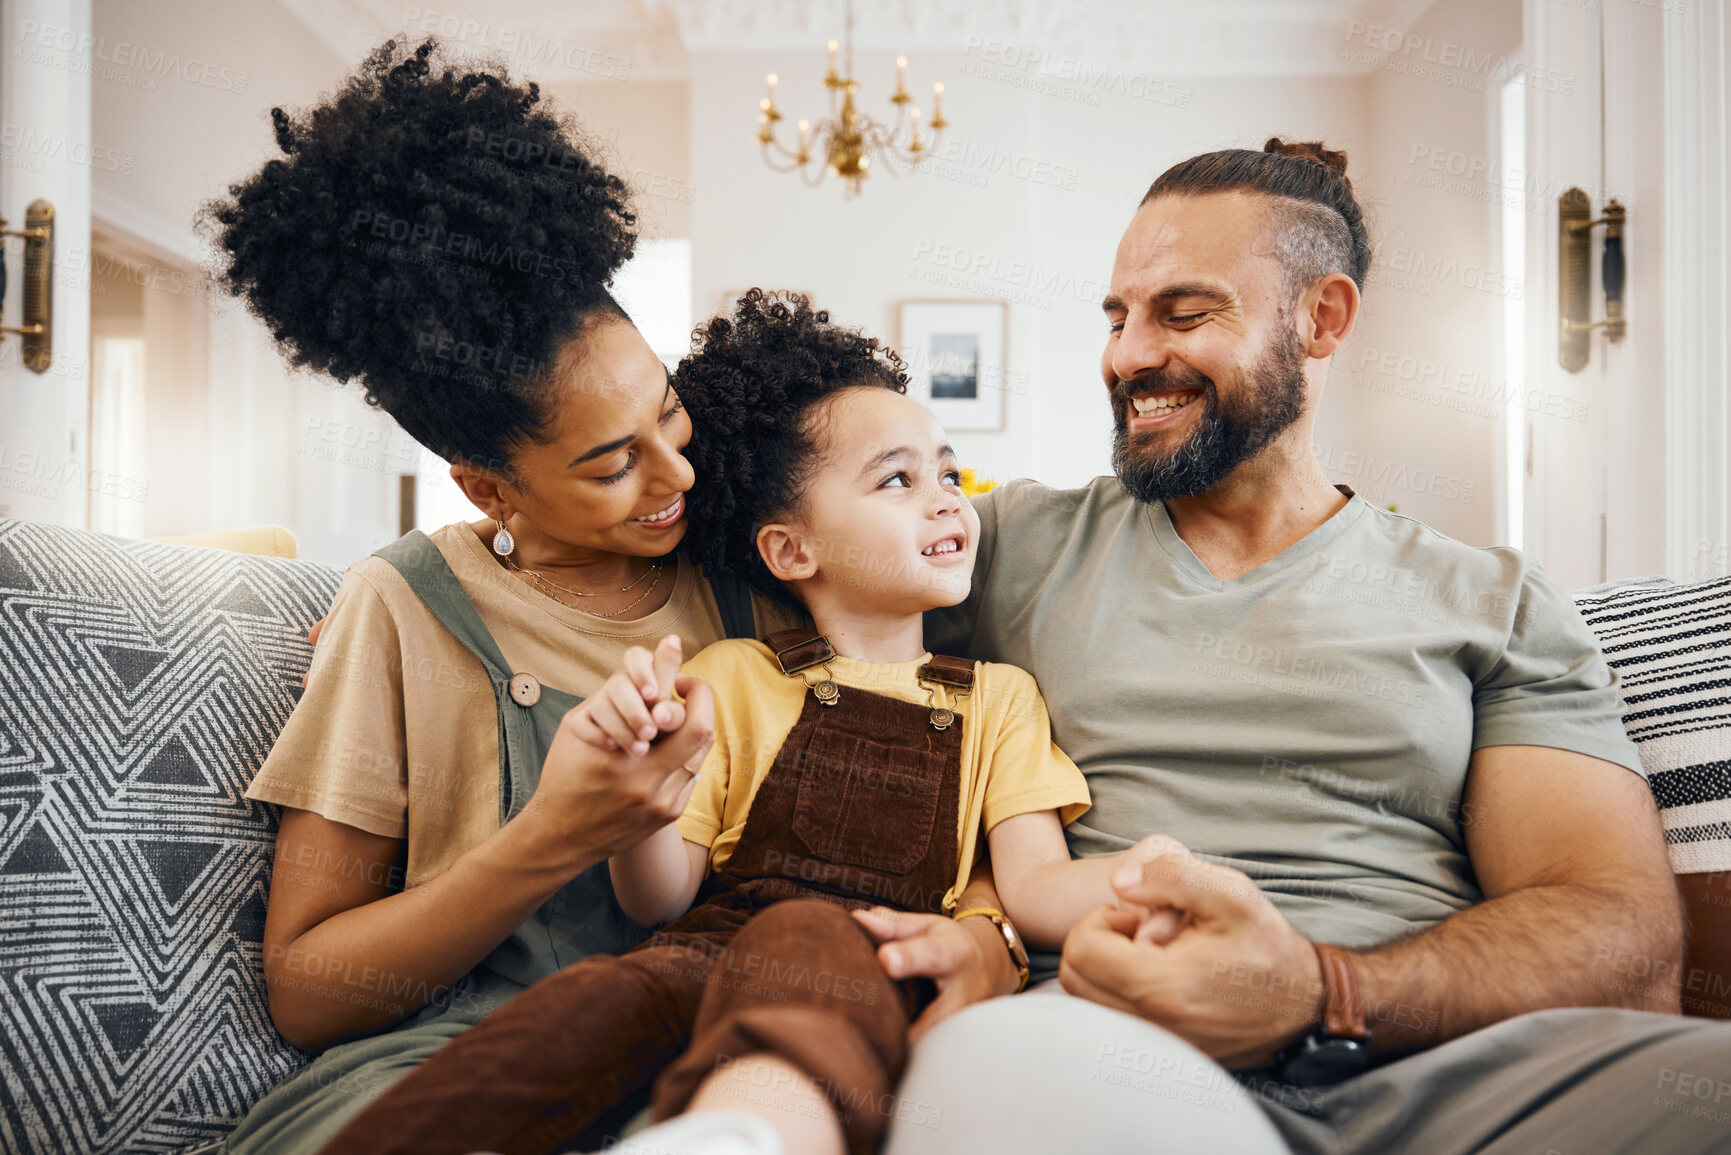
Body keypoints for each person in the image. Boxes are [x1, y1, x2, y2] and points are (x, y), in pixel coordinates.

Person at [205, 41, 1006, 1155]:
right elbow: (308, 987)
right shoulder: (403, 610)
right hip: (472, 1058)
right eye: (609, 466)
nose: (674, 476)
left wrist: (991, 938)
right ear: (487, 487)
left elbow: (930, 535)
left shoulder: (746, 578)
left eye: (668, 419)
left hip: (733, 1039)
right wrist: (553, 834)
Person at [885, 138, 1731, 1155]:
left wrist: (1321, 990)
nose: (1126, 355)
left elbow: (1623, 939)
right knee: (991, 1066)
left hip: (1449, 1064)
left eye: (1184, 313)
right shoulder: (1010, 543)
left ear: (1321, 318)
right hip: (1119, 1061)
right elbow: (789, 596)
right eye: (1117, 317)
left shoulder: (1490, 599)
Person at [318, 290, 1205, 1155]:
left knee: (804, 939)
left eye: (945, 472)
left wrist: (1152, 870)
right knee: (588, 1005)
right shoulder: (735, 671)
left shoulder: (996, 696)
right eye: (899, 479)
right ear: (489, 491)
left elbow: (1035, 887)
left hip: (855, 967)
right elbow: (658, 900)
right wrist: (644, 785)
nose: (945, 501)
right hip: (690, 956)